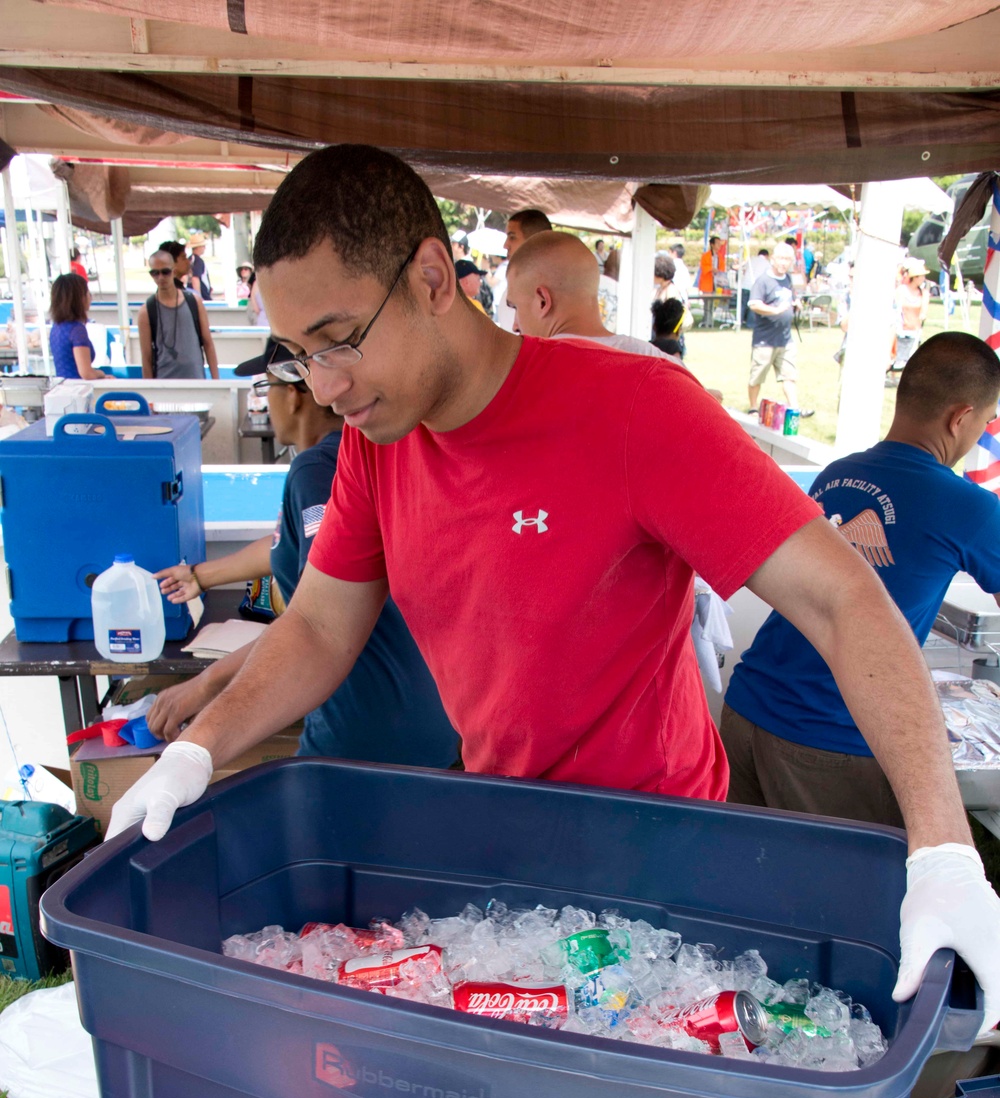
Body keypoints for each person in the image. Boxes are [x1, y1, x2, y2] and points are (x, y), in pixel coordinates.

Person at [108, 142, 1000, 1031]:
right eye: (300, 355)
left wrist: (944, 848)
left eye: (341, 340)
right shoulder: (376, 448)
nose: (328, 385)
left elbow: (843, 601)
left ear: (430, 276)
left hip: (663, 859)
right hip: (505, 836)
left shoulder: (633, 407)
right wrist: (201, 750)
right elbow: (318, 628)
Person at [723, 331, 1000, 830]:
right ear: (961, 417)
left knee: (751, 882)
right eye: (984, 423)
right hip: (831, 736)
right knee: (839, 899)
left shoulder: (838, 473)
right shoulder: (968, 506)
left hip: (747, 708)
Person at [148, 339, 457, 768]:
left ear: (296, 392)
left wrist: (205, 686)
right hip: (430, 718)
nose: (265, 404)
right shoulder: (374, 453)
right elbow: (309, 547)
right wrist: (201, 576)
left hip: (362, 731)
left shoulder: (314, 471)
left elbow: (321, 615)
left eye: (265, 389)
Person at [504, 230, 682, 364]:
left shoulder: (528, 379)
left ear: (542, 301)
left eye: (516, 308)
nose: (514, 326)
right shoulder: (661, 363)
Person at [139, 249, 219, 380]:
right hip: (164, 385)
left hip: (196, 382)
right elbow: (146, 357)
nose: (160, 277)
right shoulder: (147, 310)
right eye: (155, 273)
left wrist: (216, 381)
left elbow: (208, 342)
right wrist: (151, 394)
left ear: (174, 271)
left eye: (165, 272)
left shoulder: (194, 301)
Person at [747, 242, 807, 416]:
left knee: (789, 375)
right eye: (781, 258)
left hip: (785, 338)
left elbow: (790, 298)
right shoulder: (763, 281)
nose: (784, 263)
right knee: (757, 375)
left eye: (788, 259)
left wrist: (796, 305)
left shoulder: (788, 280)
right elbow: (754, 304)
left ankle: (794, 408)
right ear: (773, 259)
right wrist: (775, 310)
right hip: (765, 339)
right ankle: (753, 407)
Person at [48, 273, 116, 381]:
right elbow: (86, 373)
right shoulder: (77, 330)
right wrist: (101, 373)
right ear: (79, 298)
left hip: (62, 388)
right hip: (77, 392)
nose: (90, 296)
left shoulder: (56, 328)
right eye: (87, 292)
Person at [494, 208, 553, 331]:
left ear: (535, 240)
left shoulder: (556, 289)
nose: (505, 245)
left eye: (512, 237)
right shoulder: (519, 284)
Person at [889, 258, 931, 381]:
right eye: (921, 276)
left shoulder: (923, 293)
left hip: (915, 329)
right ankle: (892, 375)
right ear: (915, 277)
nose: (923, 279)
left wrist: (922, 315)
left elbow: (924, 309)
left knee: (911, 355)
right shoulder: (901, 290)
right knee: (895, 354)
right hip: (900, 327)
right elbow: (897, 307)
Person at [187, 235, 213, 301]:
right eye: (203, 246)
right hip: (202, 297)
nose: (205, 248)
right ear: (198, 247)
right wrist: (199, 297)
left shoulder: (189, 260)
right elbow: (195, 278)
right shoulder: (197, 261)